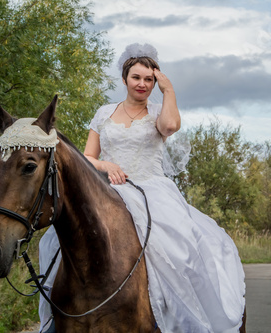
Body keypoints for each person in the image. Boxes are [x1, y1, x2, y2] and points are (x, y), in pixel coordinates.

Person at [38, 43, 246, 332]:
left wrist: (168, 90)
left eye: (149, 79)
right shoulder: (104, 112)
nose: (142, 84)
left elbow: (171, 126)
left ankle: (173, 314)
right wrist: (106, 166)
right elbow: (87, 157)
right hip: (108, 190)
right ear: (124, 79)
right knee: (60, 240)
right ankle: (59, 315)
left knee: (178, 250)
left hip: (152, 192)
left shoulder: (160, 111)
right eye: (137, 77)